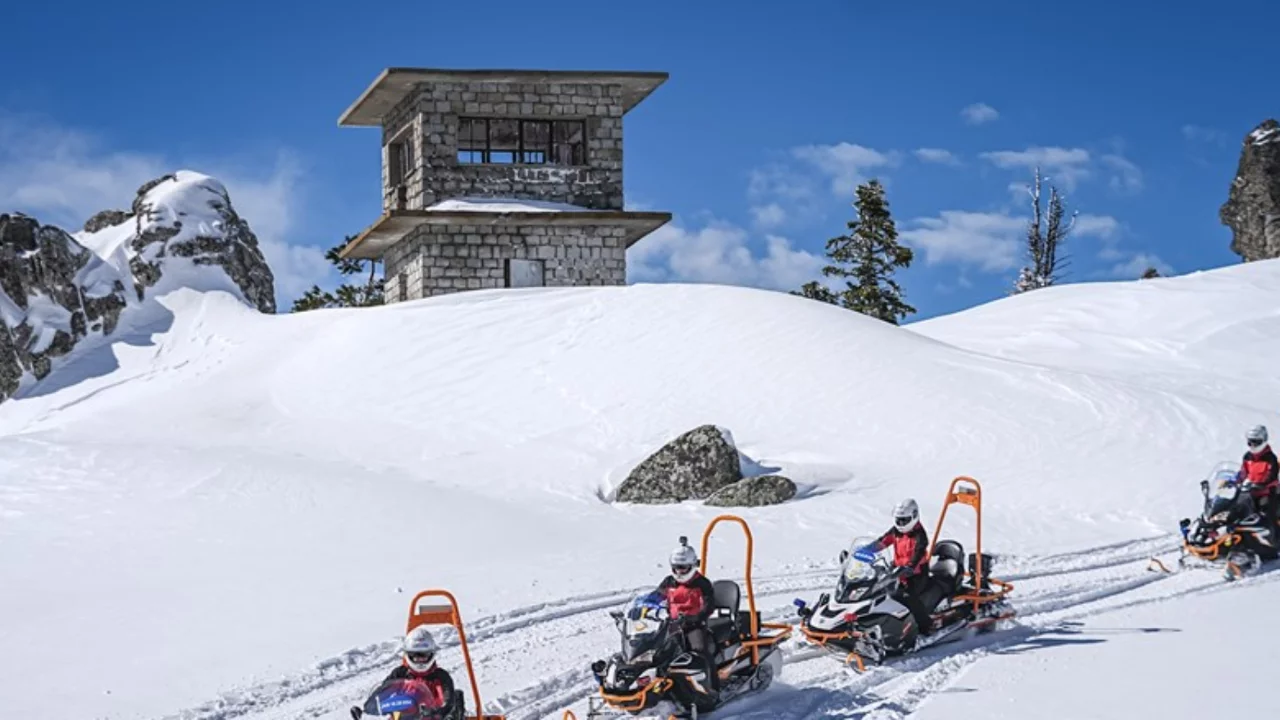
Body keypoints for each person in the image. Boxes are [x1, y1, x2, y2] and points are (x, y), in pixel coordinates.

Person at [350, 625, 459, 720]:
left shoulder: (440, 676)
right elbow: (383, 693)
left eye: (423, 656)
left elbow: (448, 701)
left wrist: (437, 711)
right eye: (415, 656)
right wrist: (369, 709)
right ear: (408, 655)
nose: (420, 660)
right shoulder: (400, 673)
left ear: (432, 654)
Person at [656, 537, 718, 681]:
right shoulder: (669, 581)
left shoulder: (702, 583)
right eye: (676, 567)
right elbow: (657, 595)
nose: (679, 572)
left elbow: (708, 607)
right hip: (671, 623)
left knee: (700, 651)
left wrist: (694, 618)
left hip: (693, 625)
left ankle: (712, 685)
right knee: (656, 650)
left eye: (683, 568)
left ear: (692, 565)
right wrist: (643, 605)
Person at [870, 498, 934, 638]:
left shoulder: (919, 535)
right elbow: (883, 542)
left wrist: (909, 567)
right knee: (877, 591)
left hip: (916, 574)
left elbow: (918, 554)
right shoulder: (896, 531)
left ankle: (926, 626)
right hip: (898, 571)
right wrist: (867, 551)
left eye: (904, 520)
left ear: (914, 517)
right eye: (898, 520)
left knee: (908, 597)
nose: (901, 524)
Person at [1239, 425, 1280, 531]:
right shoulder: (1247, 457)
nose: (1253, 445)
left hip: (1268, 492)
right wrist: (1232, 481)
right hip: (1250, 492)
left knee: (1268, 515)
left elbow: (1271, 476)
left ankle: (1275, 541)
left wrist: (1260, 485)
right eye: (1250, 442)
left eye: (1256, 442)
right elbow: (1243, 473)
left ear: (1264, 440)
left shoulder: (1270, 458)